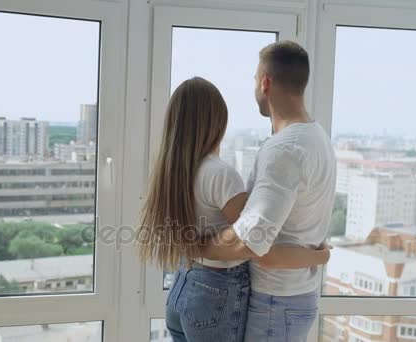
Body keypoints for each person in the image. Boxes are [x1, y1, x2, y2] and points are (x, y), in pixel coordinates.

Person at [137, 76, 331, 342]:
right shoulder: (220, 175)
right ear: (217, 122)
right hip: (215, 294)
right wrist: (319, 257)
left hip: (182, 287)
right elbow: (255, 244)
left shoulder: (172, 173)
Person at [201, 41, 337, 342]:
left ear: (265, 82)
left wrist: (194, 246)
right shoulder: (318, 138)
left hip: (276, 301)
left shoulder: (284, 149)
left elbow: (253, 245)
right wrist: (319, 257)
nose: (254, 88)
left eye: (254, 79)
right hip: (296, 295)